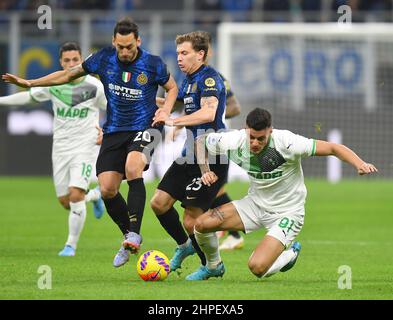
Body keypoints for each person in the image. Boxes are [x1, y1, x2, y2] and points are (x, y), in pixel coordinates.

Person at [2, 18, 178, 267]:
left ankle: (135, 234)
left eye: (129, 46)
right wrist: (30, 83)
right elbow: (68, 74)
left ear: (138, 41)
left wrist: (165, 111)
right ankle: (128, 235)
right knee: (107, 189)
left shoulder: (153, 63)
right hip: (114, 131)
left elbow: (172, 88)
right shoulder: (103, 58)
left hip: (146, 127)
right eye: (120, 47)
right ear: (113, 43)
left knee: (132, 166)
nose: (125, 52)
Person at [190, 108, 378, 280]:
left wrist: (359, 164)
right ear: (245, 129)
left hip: (288, 213)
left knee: (257, 268)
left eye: (261, 138)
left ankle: (289, 255)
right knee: (201, 224)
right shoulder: (233, 140)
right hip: (254, 205)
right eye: (251, 137)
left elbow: (332, 148)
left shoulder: (288, 143)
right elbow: (200, 142)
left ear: (270, 131)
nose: (255, 143)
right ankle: (213, 266)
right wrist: (205, 170)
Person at [0, 42, 106, 256]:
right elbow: (28, 97)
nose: (71, 64)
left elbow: (112, 108)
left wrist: (107, 130)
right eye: (66, 60)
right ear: (61, 62)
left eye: (75, 60)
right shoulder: (54, 84)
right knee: (66, 202)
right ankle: (95, 196)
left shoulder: (95, 86)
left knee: (76, 195)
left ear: (82, 60)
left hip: (85, 145)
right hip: (60, 147)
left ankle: (70, 245)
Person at [150, 31, 228, 277]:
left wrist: (175, 122)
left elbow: (208, 114)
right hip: (189, 154)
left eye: (185, 53)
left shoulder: (209, 79)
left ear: (200, 54)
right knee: (159, 203)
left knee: (191, 220)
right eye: (178, 54)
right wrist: (146, 98)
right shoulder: (188, 79)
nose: (179, 59)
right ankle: (184, 247)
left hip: (212, 155)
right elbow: (173, 102)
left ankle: (213, 265)